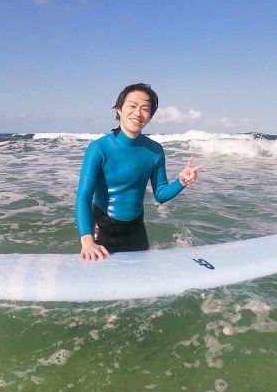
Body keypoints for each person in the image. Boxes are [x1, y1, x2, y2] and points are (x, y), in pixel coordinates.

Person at [75, 83, 203, 261]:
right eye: (132, 106)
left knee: (140, 282)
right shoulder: (98, 148)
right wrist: (87, 240)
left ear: (150, 116)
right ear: (119, 109)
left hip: (136, 229)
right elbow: (83, 196)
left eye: (145, 109)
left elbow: (160, 194)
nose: (138, 113)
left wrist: (181, 182)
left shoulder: (154, 150)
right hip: (102, 228)